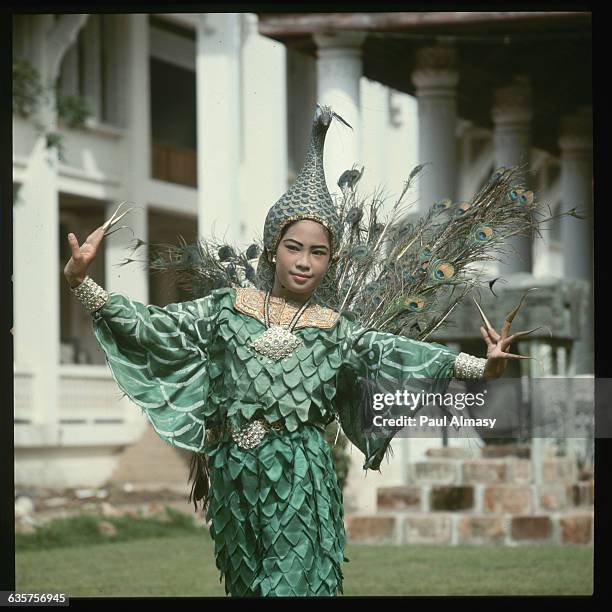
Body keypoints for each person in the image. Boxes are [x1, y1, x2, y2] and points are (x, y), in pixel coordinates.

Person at [64, 105, 530, 597]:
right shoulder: (226, 309)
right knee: (245, 585)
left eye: (318, 252)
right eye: (294, 247)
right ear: (271, 248)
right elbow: (154, 326)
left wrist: (483, 367)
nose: (305, 262)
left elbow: (404, 354)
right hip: (232, 473)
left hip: (299, 475)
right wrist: (80, 282)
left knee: (290, 586)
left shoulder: (337, 330)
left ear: (330, 261)